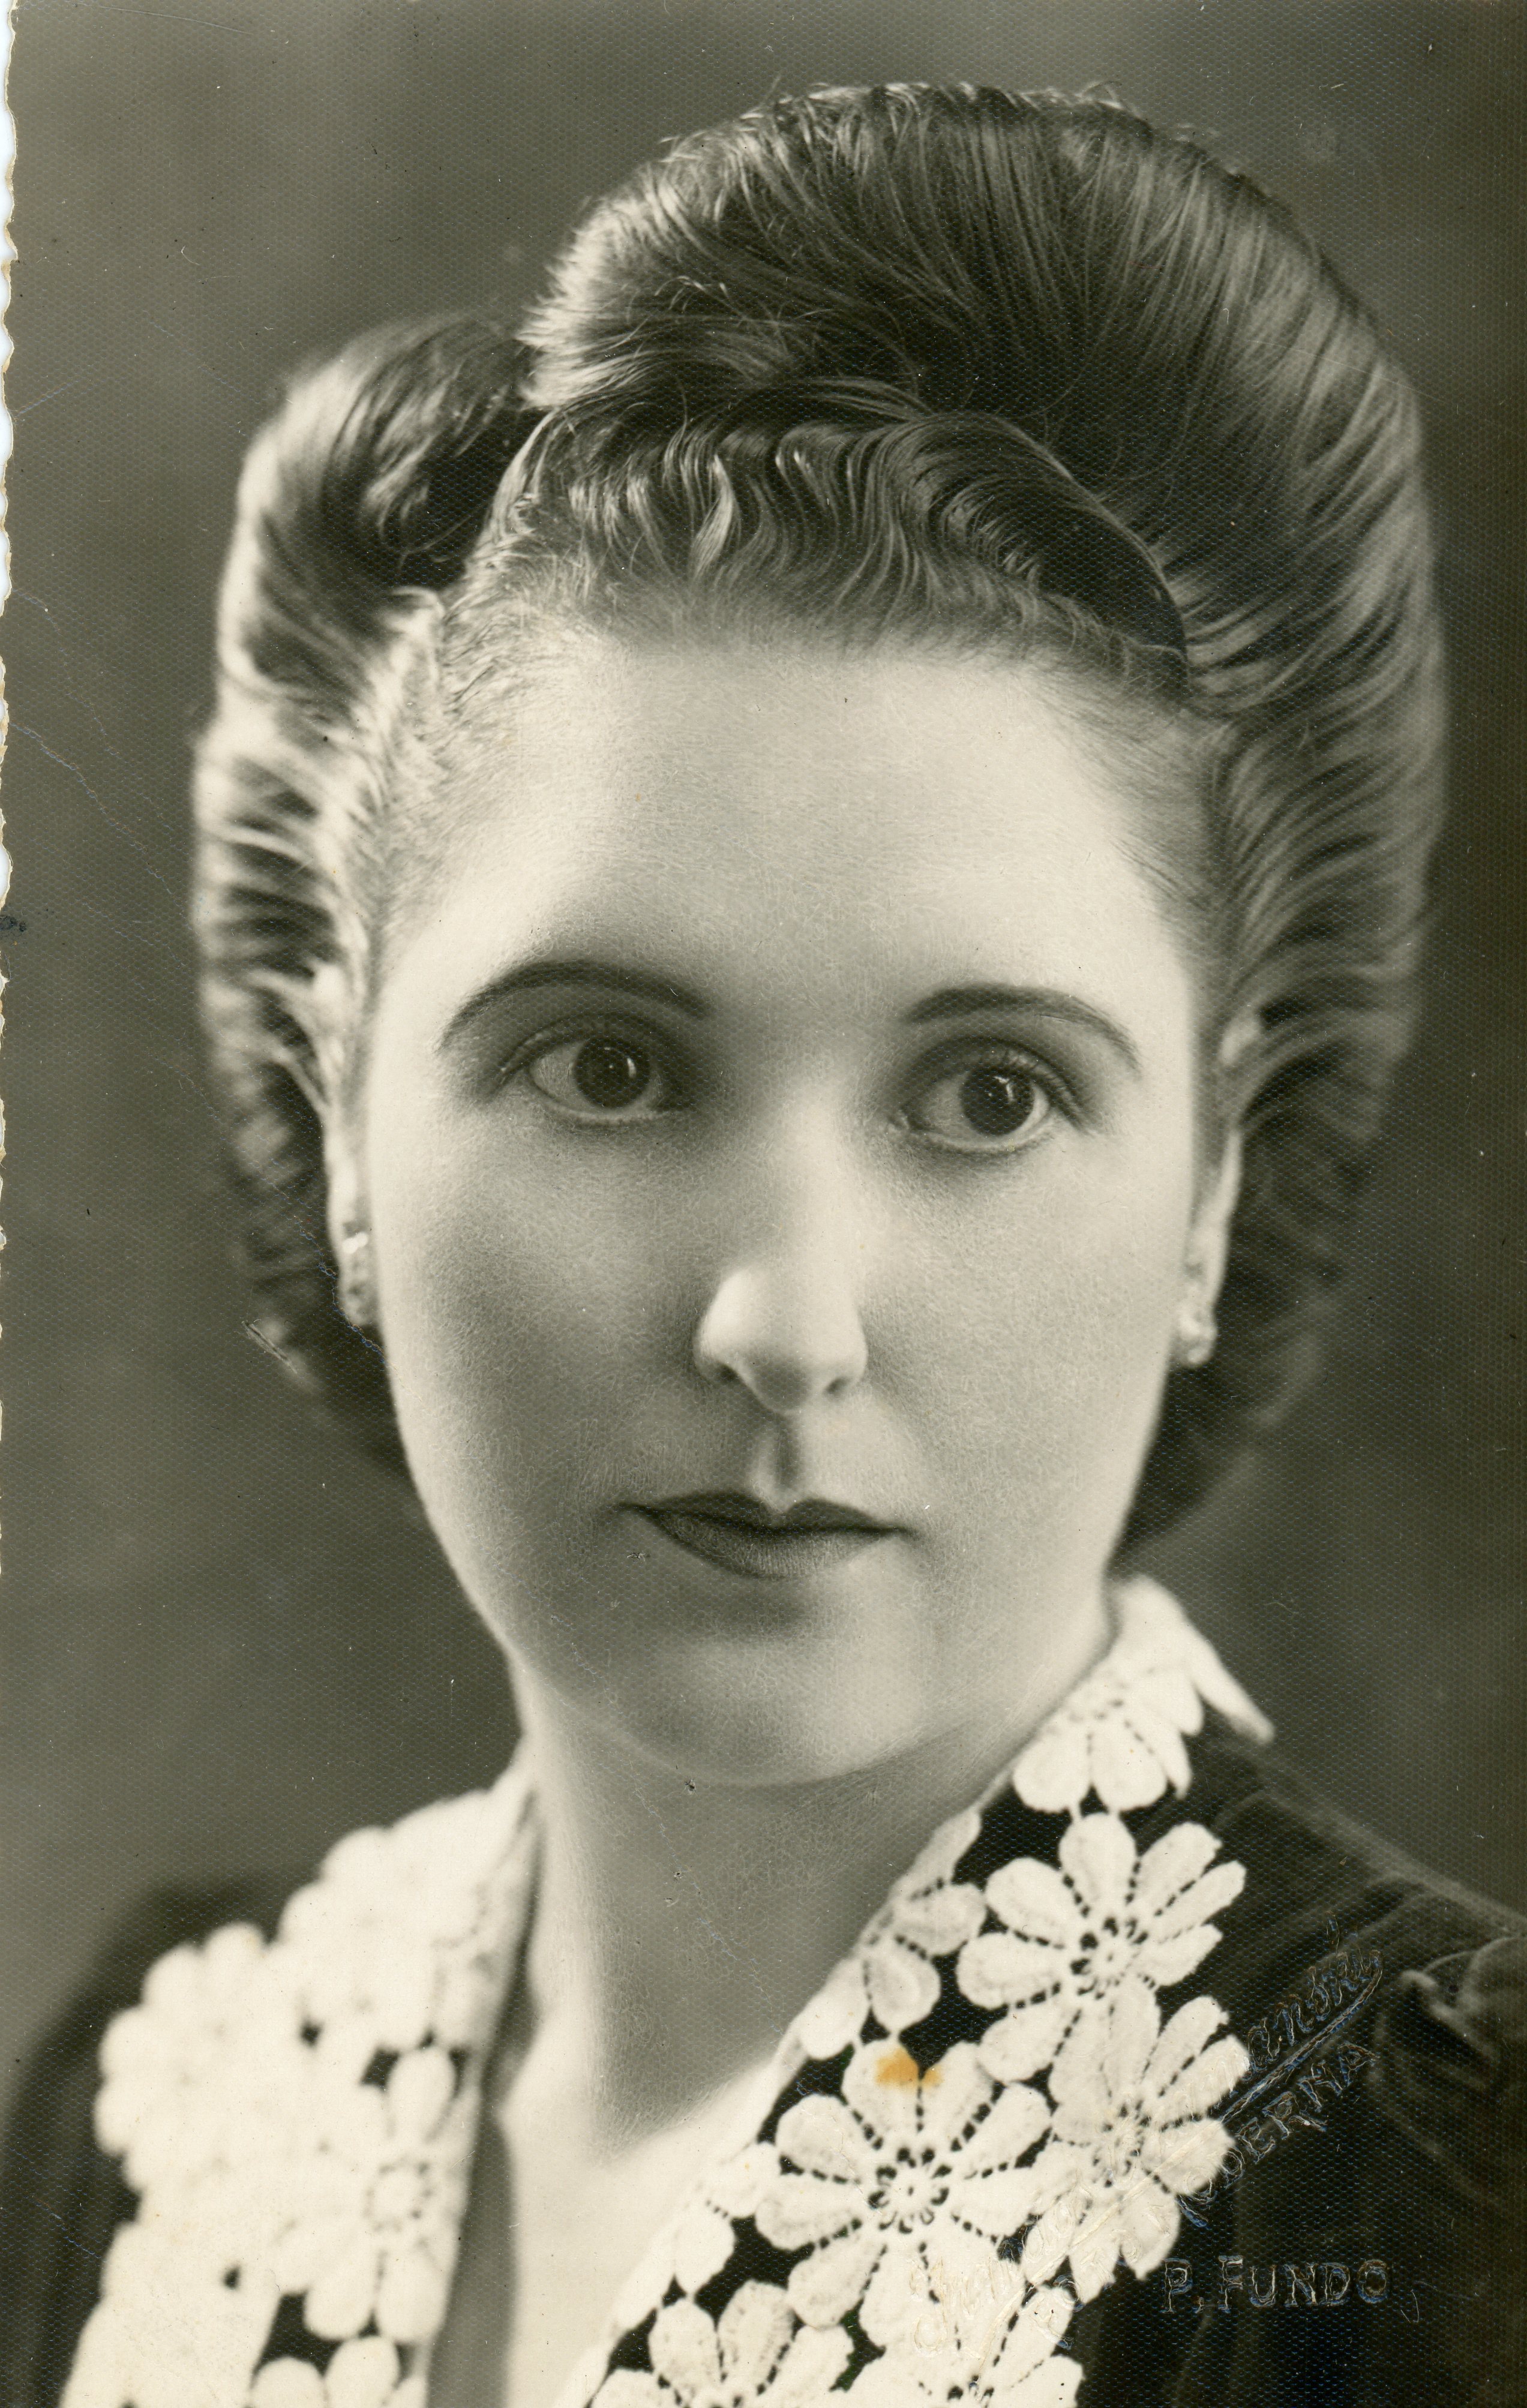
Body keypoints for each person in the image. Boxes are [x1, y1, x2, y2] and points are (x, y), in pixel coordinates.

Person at [3, 79, 1523, 2408]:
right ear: (339, 1126)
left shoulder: (1435, 2187)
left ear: (1213, 1185)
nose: (783, 1321)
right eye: (611, 1066)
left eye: (988, 1093)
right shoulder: (159, 2124)